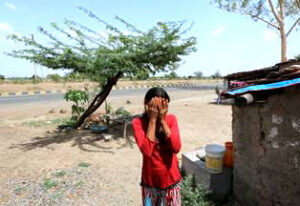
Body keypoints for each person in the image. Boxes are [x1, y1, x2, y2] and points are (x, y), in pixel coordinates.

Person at [132, 87, 182, 206]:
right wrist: (153, 121)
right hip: (150, 183)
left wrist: (163, 121)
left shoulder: (171, 120)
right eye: (154, 106)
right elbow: (147, 151)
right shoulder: (138, 123)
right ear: (146, 104)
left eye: (161, 106)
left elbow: (176, 148)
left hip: (171, 180)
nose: (158, 110)